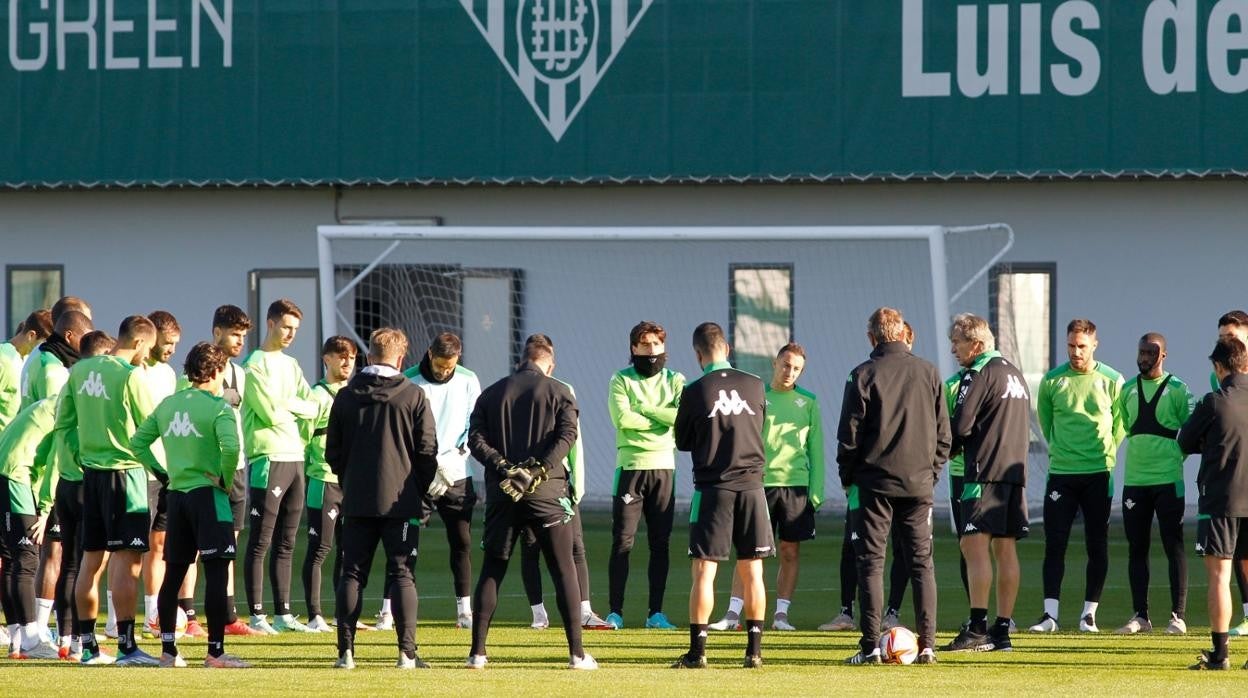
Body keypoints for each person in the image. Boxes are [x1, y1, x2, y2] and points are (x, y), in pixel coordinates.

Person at [465, 338, 596, 670]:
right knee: (563, 568)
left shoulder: (491, 393)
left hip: (503, 493)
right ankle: (576, 655)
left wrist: (505, 467)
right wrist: (537, 470)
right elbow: (567, 437)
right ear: (548, 364)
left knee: (493, 568)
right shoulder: (559, 391)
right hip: (548, 494)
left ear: (522, 360)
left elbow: (475, 441)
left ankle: (477, 654)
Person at [838, 307, 948, 665]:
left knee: (870, 564)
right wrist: (931, 472)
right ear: (902, 334)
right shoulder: (930, 372)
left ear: (872, 338)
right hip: (918, 485)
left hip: (873, 485)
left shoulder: (862, 374)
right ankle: (928, 646)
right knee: (922, 565)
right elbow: (944, 435)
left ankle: (870, 647)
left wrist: (848, 479)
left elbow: (848, 439)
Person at [131, 342, 249, 668]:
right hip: (209, 497)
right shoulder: (219, 408)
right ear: (215, 371)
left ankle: (169, 652)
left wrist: (163, 475)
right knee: (215, 573)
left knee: (173, 575)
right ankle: (215, 653)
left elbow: (137, 442)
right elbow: (231, 448)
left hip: (178, 498)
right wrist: (225, 480)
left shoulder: (168, 405)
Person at [327, 328, 438, 670]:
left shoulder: (346, 396)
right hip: (401, 502)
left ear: (369, 356)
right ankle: (406, 654)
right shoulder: (414, 396)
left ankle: (345, 653)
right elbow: (427, 453)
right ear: (401, 358)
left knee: (352, 572)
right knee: (402, 574)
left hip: (358, 500)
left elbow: (333, 452)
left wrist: (351, 480)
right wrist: (417, 492)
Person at [58, 315, 164, 665]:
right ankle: (127, 647)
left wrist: (83, 455)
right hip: (127, 476)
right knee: (127, 561)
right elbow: (151, 428)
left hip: (90, 476)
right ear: (138, 343)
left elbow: (65, 424)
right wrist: (163, 472)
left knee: (90, 562)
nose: (146, 357)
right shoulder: (131, 376)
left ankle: (86, 647)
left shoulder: (79, 371)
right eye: (147, 350)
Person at [671, 322, 771, 669]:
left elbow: (682, 441)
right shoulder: (756, 385)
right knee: (753, 571)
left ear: (699, 355)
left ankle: (698, 653)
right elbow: (761, 428)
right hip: (752, 487)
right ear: (726, 348)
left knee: (704, 571)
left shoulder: (695, 390)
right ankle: (754, 653)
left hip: (713, 488)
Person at [711, 343, 823, 632]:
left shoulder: (808, 401)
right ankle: (733, 613)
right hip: (759, 485)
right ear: (775, 363)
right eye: (786, 365)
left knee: (789, 551)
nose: (790, 372)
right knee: (750, 552)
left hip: (795, 487)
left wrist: (816, 491)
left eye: (797, 368)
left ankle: (781, 615)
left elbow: (816, 449)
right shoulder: (758, 397)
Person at [941, 314, 1030, 653]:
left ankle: (977, 627)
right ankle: (1002, 631)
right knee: (1005, 549)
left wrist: (943, 452)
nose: (953, 349)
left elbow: (962, 425)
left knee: (972, 546)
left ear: (976, 345)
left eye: (957, 342)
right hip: (1014, 475)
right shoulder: (1015, 373)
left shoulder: (977, 373)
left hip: (983, 473)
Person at [1029, 319, 1124, 633]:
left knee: (1097, 545)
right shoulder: (1053, 381)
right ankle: (1050, 616)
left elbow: (1121, 423)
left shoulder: (1112, 379)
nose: (1076, 352)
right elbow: (1046, 422)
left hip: (1098, 472)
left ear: (1094, 345)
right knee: (1055, 544)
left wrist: (1108, 451)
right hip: (1061, 474)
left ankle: (1088, 615)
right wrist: (1063, 449)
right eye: (1071, 345)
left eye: (1082, 346)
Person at [517, 334, 611, 631]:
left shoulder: (563, 389)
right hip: (531, 480)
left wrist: (578, 481)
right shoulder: (515, 388)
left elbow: (574, 438)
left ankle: (584, 610)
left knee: (575, 546)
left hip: (560, 480)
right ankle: (538, 612)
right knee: (530, 545)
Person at [241, 299, 318, 634]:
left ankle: (283, 614)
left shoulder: (291, 365)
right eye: (286, 327)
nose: (291, 334)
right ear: (271, 324)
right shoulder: (254, 365)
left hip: (296, 455)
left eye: (296, 329)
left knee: (288, 541)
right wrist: (295, 408)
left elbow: (313, 407)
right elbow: (269, 413)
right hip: (267, 457)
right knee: (261, 540)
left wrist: (289, 406)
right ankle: (257, 615)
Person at [605, 321, 684, 630]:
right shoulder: (620, 379)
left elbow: (679, 417)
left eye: (657, 345)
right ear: (633, 349)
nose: (652, 351)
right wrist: (659, 416)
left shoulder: (676, 379)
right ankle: (615, 613)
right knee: (622, 543)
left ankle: (656, 614)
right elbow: (621, 419)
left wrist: (645, 408)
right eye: (645, 345)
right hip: (630, 468)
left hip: (664, 467)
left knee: (660, 544)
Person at [1114, 333, 1193, 635]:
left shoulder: (1177, 389)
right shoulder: (1126, 390)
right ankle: (1141, 616)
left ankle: (1178, 616)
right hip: (1135, 481)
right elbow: (1122, 424)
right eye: (1142, 351)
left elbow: (1193, 427)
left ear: (1164, 355)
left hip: (1168, 481)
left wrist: (1176, 455)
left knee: (1174, 546)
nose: (1145, 357)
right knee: (1137, 547)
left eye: (1151, 352)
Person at [1178, 337, 1248, 670]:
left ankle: (1220, 655)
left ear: (1218, 367)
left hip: (1220, 498)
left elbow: (1185, 440)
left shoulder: (1214, 401)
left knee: (1220, 576)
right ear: (1246, 364)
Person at [403, 332, 481, 628]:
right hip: (419, 474)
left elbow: (475, 425)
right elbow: (405, 429)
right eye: (439, 365)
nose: (443, 371)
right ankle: (389, 609)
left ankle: (464, 611)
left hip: (456, 473)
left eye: (449, 367)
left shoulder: (468, 379)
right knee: (405, 541)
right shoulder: (409, 380)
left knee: (461, 542)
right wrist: (429, 465)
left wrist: (453, 459)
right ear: (429, 353)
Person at [300, 336, 358, 633]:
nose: (347, 362)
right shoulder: (316, 396)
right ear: (327, 359)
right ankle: (314, 615)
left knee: (349, 550)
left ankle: (344, 613)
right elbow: (303, 438)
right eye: (341, 356)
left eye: (351, 357)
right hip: (323, 480)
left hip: (351, 482)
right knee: (319, 548)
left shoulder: (356, 393)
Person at [0, 397, 61, 659]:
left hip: (7, 471)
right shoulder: (70, 411)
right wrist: (46, 510)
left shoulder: (52, 402)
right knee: (25, 559)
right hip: (16, 475)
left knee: (12, 559)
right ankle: (32, 640)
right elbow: (57, 464)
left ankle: (16, 639)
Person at [140, 310, 183, 639]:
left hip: (166, 471)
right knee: (129, 549)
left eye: (174, 345)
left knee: (160, 543)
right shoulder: (135, 371)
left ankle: (153, 613)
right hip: (139, 469)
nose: (170, 350)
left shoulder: (169, 374)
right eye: (167, 344)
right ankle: (116, 617)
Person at [1213, 311, 1248, 636]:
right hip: (1234, 485)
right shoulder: (1220, 380)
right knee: (1236, 553)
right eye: (1224, 337)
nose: (1228, 342)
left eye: (1233, 337)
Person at [1, 311, 52, 431]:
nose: (45, 351)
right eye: (43, 345)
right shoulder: (3, 360)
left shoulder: (27, 360)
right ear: (31, 336)